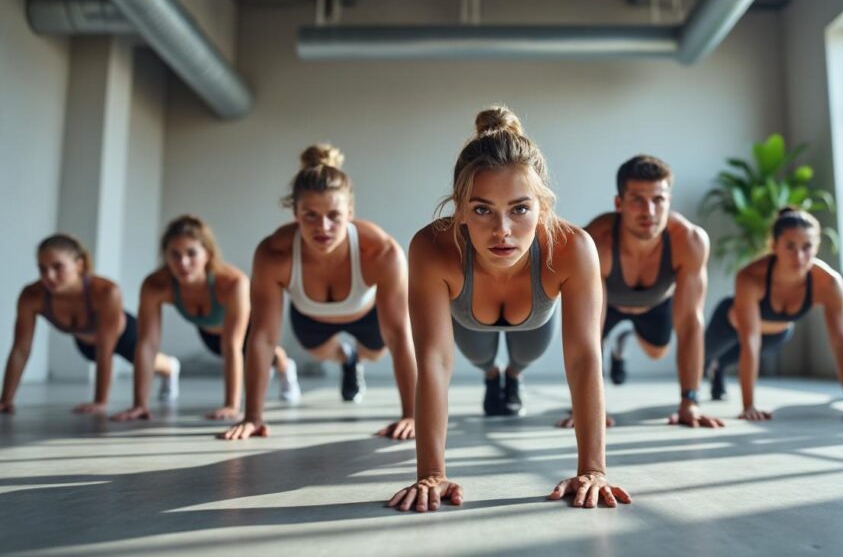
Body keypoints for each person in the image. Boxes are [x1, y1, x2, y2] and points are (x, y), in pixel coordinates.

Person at [387, 107, 630, 512]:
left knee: (525, 354)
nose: (503, 230)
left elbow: (584, 357)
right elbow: (433, 360)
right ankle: (493, 375)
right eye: (482, 210)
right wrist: (430, 472)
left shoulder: (572, 248)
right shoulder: (432, 247)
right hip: (468, 322)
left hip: (535, 321)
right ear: (460, 210)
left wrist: (593, 469)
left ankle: (512, 376)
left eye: (519, 209)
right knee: (481, 357)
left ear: (543, 208)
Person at [220, 144, 416, 440]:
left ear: (350, 212)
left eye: (334, 215)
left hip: (368, 316)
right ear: (295, 212)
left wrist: (412, 415)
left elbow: (400, 335)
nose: (322, 227)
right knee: (325, 354)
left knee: (376, 353)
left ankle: (359, 358)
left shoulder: (381, 251)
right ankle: (349, 360)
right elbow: (262, 336)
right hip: (311, 319)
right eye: (310, 215)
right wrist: (252, 417)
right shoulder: (274, 254)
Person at [569, 154, 722, 428]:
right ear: (619, 203)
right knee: (594, 332)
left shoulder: (689, 241)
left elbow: (689, 323)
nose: (649, 211)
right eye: (637, 199)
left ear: (668, 201)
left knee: (656, 352)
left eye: (658, 200)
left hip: (656, 304)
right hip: (608, 303)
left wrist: (690, 401)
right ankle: (618, 340)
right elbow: (585, 334)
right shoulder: (596, 242)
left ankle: (626, 341)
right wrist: (587, 407)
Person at [111, 215, 300, 422]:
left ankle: (285, 367)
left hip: (246, 330)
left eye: (191, 254)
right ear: (165, 256)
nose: (183, 263)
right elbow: (147, 343)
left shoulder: (232, 282)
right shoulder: (156, 285)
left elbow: (232, 346)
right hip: (209, 333)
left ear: (207, 255)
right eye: (175, 255)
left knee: (266, 357)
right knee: (223, 349)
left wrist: (231, 405)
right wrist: (140, 404)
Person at [704, 208, 843, 421]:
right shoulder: (750, 276)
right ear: (774, 246)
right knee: (702, 358)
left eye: (807, 247)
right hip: (729, 322)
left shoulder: (829, 283)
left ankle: (719, 371)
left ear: (816, 247)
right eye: (790, 247)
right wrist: (749, 406)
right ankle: (710, 368)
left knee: (731, 358)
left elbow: (841, 343)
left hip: (775, 332)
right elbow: (750, 341)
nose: (799, 256)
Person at [1, 234, 178, 415]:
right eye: (42, 269)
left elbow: (105, 349)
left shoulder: (106, 291)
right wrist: (5, 400)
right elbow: (21, 349)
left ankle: (172, 367)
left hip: (124, 336)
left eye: (57, 267)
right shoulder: (32, 296)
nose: (49, 276)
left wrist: (100, 401)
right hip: (85, 344)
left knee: (153, 363)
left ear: (79, 264)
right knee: (96, 350)